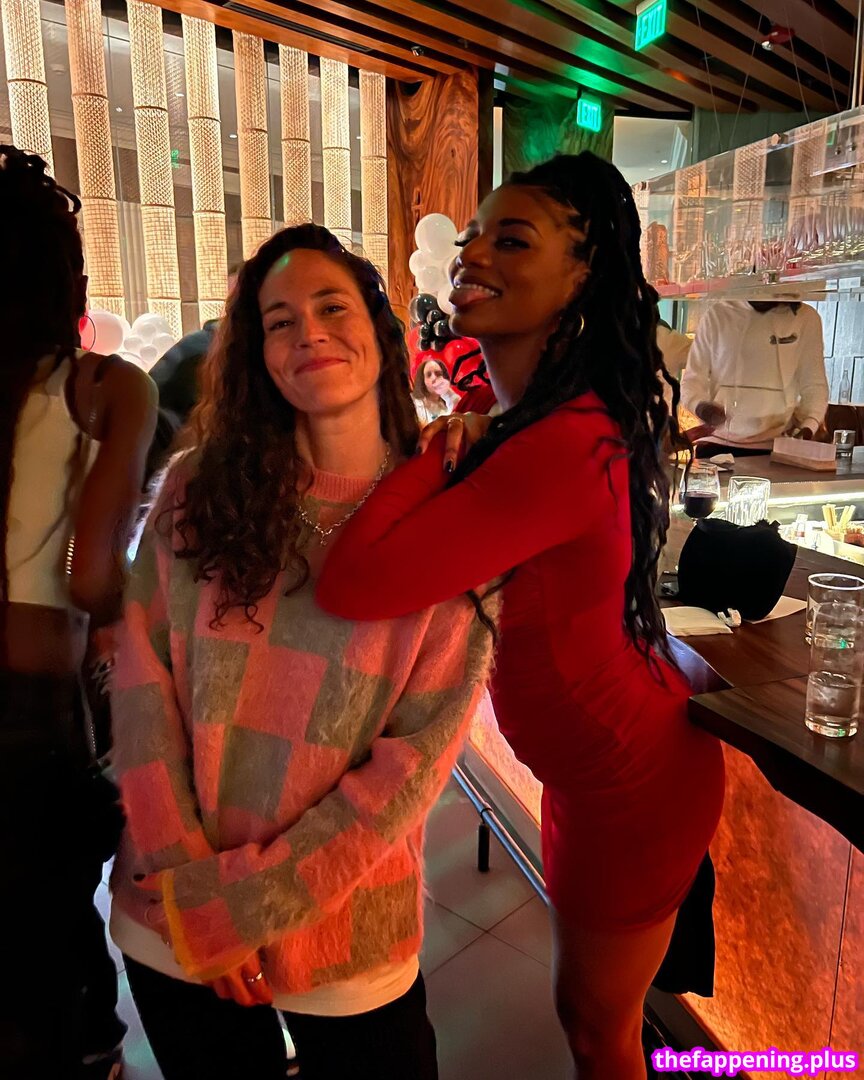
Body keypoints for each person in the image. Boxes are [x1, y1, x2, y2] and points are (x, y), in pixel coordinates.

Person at [316, 152, 726, 1080]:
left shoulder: (559, 441)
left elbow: (353, 582)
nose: (472, 255)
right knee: (587, 1018)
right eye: (471, 237)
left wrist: (440, 449)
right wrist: (465, 428)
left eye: (512, 240)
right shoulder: (531, 420)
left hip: (631, 785)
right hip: (592, 775)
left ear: (581, 275)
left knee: (598, 1031)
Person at [109, 224, 494, 1080]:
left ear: (382, 333)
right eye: (279, 321)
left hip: (346, 927)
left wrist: (246, 906)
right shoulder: (198, 489)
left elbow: (413, 763)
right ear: (257, 355)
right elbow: (140, 688)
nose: (309, 333)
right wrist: (198, 896)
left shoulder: (444, 514)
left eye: (331, 307)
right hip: (173, 912)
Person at [0, 145, 157, 1079]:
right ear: (69, 280)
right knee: (47, 944)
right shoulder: (100, 385)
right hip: (30, 718)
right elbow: (95, 578)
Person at [680, 299, 828, 457]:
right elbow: (692, 381)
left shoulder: (805, 318)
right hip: (717, 443)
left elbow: (814, 383)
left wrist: (809, 425)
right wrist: (701, 408)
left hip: (776, 446)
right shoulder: (718, 315)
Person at [148, 263, 241, 422]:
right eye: (231, 299)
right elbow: (149, 397)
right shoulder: (196, 346)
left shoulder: (271, 353)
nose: (233, 307)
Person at [412, 357, 460, 424]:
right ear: (422, 381)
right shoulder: (415, 404)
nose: (434, 378)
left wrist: (447, 392)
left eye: (438, 374)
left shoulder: (448, 400)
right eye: (429, 375)